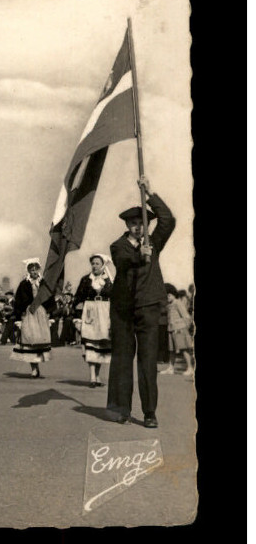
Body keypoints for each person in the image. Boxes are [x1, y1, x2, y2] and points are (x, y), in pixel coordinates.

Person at [106, 176, 176, 428]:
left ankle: (149, 413)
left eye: (141, 223)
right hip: (123, 310)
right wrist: (140, 256)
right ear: (127, 225)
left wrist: (150, 193)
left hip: (148, 307)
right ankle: (120, 409)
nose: (137, 227)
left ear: (147, 225)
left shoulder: (154, 243)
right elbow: (123, 263)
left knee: (147, 361)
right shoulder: (118, 246)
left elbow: (168, 220)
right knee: (122, 358)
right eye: (133, 223)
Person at [72, 254, 114, 388]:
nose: (94, 266)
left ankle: (97, 375)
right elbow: (78, 300)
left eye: (97, 263)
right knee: (90, 343)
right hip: (89, 312)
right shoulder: (86, 280)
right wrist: (77, 318)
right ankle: (92, 377)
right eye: (93, 263)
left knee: (101, 345)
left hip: (105, 313)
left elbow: (117, 300)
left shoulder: (110, 281)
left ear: (103, 265)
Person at [10, 257, 56, 378]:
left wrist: (50, 314)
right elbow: (19, 301)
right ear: (28, 271)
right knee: (29, 339)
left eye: (36, 269)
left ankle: (37, 363)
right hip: (29, 313)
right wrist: (19, 318)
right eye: (31, 270)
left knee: (39, 339)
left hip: (41, 313)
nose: (34, 272)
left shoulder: (44, 283)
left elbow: (50, 298)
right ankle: (34, 368)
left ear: (39, 269)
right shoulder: (24, 284)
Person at [163, 284, 194, 376]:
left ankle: (190, 368)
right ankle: (171, 367)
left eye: (169, 295)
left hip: (179, 329)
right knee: (171, 349)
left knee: (183, 348)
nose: (167, 297)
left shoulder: (177, 303)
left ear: (173, 294)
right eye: (166, 295)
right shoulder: (168, 305)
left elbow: (186, 317)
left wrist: (183, 327)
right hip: (171, 329)